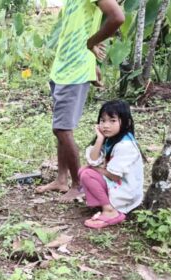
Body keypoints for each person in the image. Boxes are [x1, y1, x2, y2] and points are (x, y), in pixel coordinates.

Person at [36, 0, 125, 202]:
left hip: (74, 72)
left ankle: (78, 185)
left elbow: (117, 17)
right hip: (63, 68)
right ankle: (61, 179)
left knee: (62, 129)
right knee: (61, 127)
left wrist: (90, 43)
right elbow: (79, 28)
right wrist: (92, 61)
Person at [79, 100, 144, 229]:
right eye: (103, 121)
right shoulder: (111, 139)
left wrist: (95, 169)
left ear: (126, 122)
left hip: (126, 192)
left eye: (112, 121)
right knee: (84, 170)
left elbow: (115, 176)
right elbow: (93, 159)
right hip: (117, 185)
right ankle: (105, 204)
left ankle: (110, 211)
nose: (106, 125)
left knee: (87, 174)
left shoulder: (125, 145)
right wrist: (99, 139)